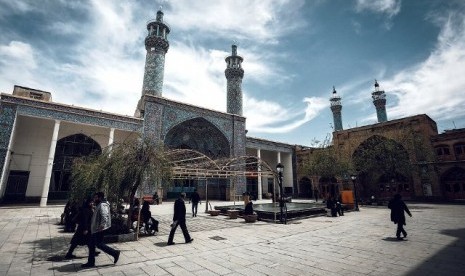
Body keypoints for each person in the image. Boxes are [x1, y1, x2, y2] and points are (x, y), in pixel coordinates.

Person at [82, 192, 120, 268]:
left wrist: (102, 225)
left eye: (96, 197)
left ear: (100, 198)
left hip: (99, 229)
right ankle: (91, 262)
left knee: (99, 244)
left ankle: (115, 253)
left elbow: (104, 215)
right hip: (95, 229)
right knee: (91, 244)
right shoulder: (100, 204)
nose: (94, 199)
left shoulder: (103, 205)